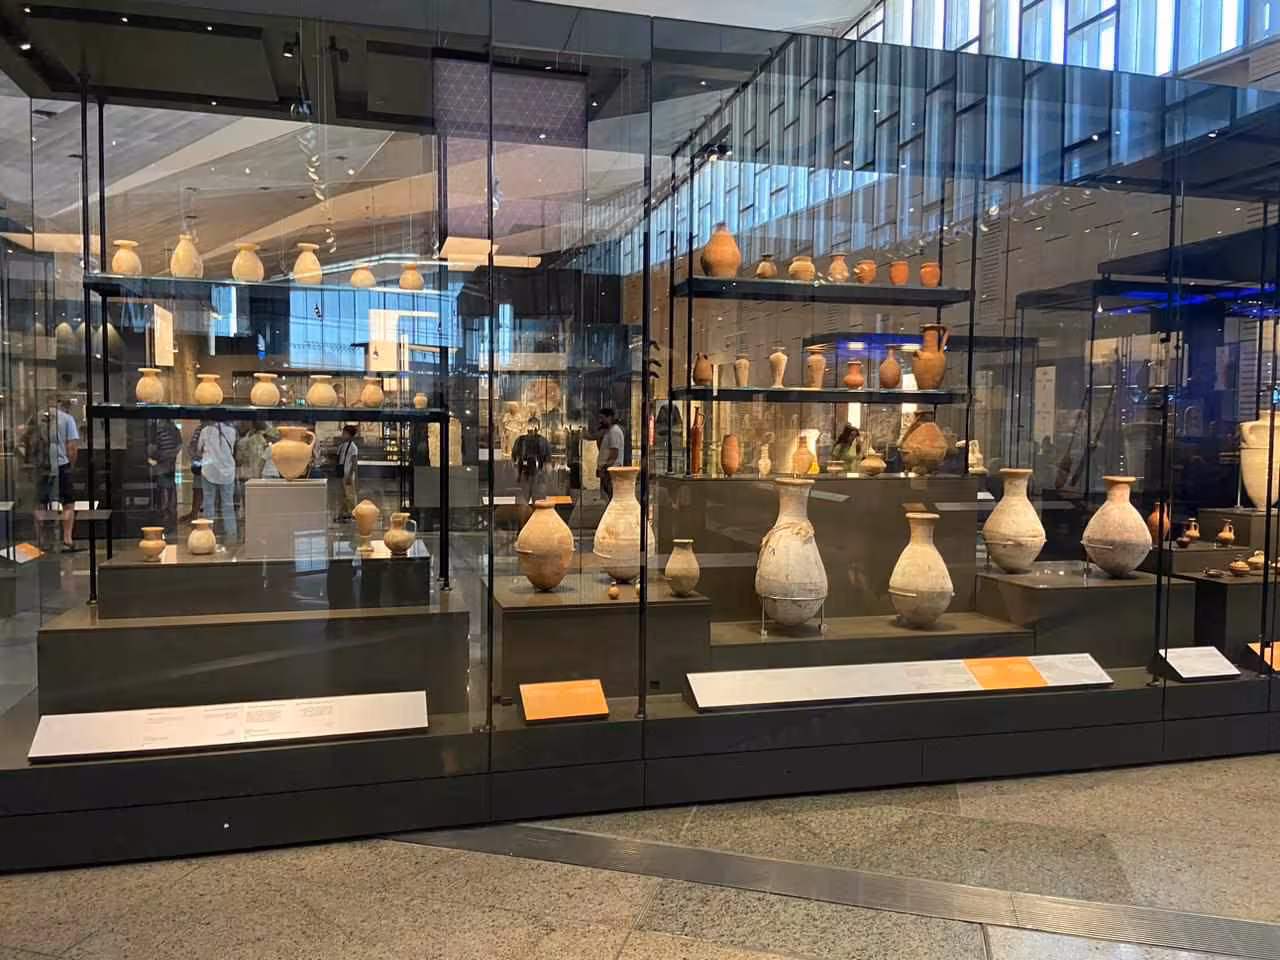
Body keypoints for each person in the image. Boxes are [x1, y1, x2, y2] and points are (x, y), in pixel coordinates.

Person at [45, 398, 81, 552]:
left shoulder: (37, 417)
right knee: (68, 503)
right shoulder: (67, 419)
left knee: (41, 502)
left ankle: (42, 539)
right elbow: (72, 446)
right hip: (61, 464)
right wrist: (70, 466)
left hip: (43, 466)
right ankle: (67, 539)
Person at [197, 418, 238, 542]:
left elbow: (199, 448)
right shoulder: (232, 431)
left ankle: (207, 534)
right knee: (228, 505)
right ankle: (231, 534)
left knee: (209, 503)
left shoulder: (205, 431)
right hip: (228, 471)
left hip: (209, 470)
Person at [147, 418, 183, 535]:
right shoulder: (173, 429)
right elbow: (179, 445)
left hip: (163, 462)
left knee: (164, 486)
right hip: (167, 462)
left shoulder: (156, 429)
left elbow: (152, 448)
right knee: (169, 486)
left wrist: (160, 455)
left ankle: (165, 510)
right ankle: (169, 509)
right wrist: (171, 455)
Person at [512, 416, 551, 505]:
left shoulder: (521, 440)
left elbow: (514, 461)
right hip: (529, 475)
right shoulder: (542, 441)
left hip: (532, 476)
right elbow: (548, 465)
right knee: (534, 508)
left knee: (526, 508)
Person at [596, 407, 624, 499]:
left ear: (609, 418)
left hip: (610, 471)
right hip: (607, 471)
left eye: (602, 418)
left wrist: (605, 468)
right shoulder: (609, 432)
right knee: (606, 496)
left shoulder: (614, 432)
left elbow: (614, 453)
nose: (600, 421)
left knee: (610, 497)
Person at [335, 424, 359, 520]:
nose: (343, 435)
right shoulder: (342, 446)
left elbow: (354, 463)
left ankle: (353, 513)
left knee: (349, 495)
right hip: (342, 473)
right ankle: (343, 513)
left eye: (345, 433)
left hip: (348, 474)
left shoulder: (353, 447)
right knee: (343, 494)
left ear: (350, 435)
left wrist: (350, 475)